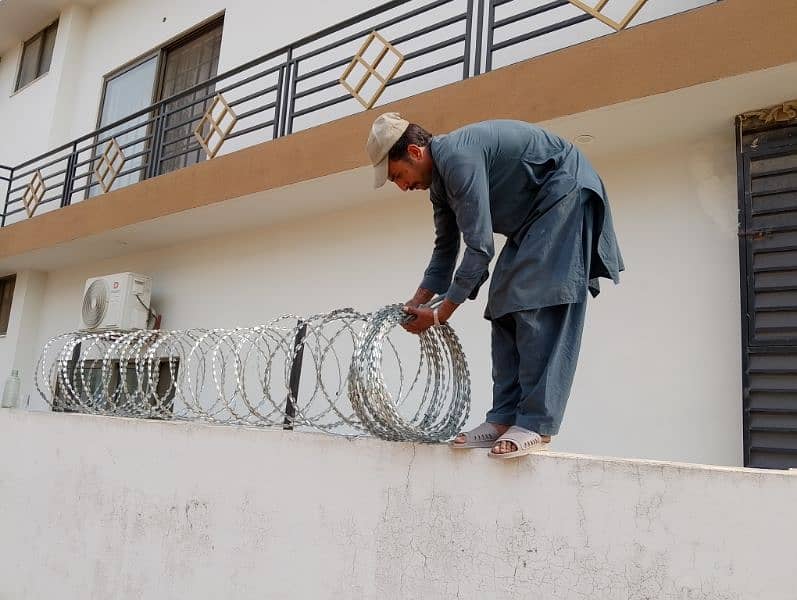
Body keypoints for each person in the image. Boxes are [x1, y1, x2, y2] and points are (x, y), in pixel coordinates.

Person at [366, 112, 623, 459]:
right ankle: (503, 418)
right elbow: (445, 251)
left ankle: (536, 423)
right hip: (532, 219)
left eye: (398, 175)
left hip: (564, 194)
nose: (402, 186)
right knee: (501, 300)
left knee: (534, 300)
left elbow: (480, 247)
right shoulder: (439, 186)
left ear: (414, 152)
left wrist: (440, 314)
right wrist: (415, 302)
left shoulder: (456, 157)